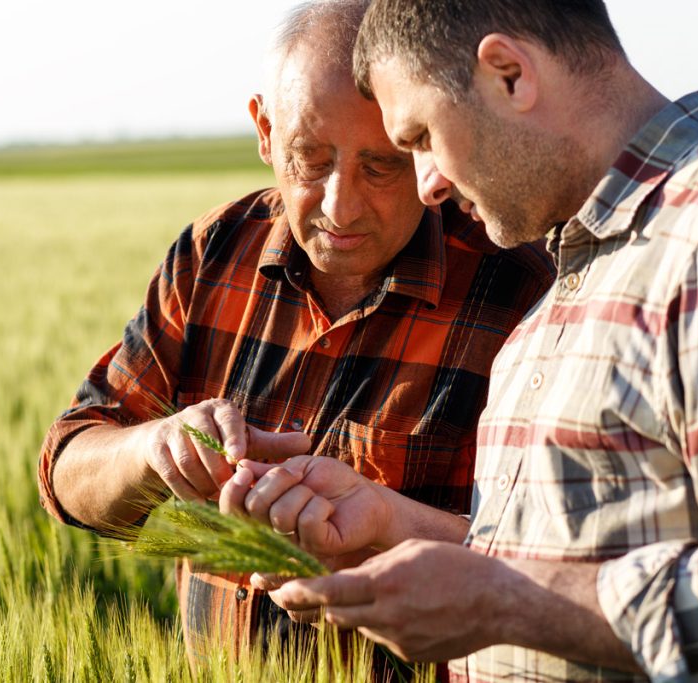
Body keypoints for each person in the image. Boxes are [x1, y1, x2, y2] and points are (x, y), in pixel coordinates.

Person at [227, 0, 698, 680]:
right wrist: (392, 526)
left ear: (509, 74)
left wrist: (505, 604)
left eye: (422, 137)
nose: (428, 186)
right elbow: (573, 562)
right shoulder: (567, 277)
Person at [36, 0, 554, 668]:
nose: (341, 204)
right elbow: (66, 474)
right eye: (310, 157)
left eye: (381, 165)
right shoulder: (212, 254)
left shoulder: (514, 291)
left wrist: (382, 530)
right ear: (263, 129)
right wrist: (152, 449)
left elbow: (559, 568)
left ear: (426, 148)